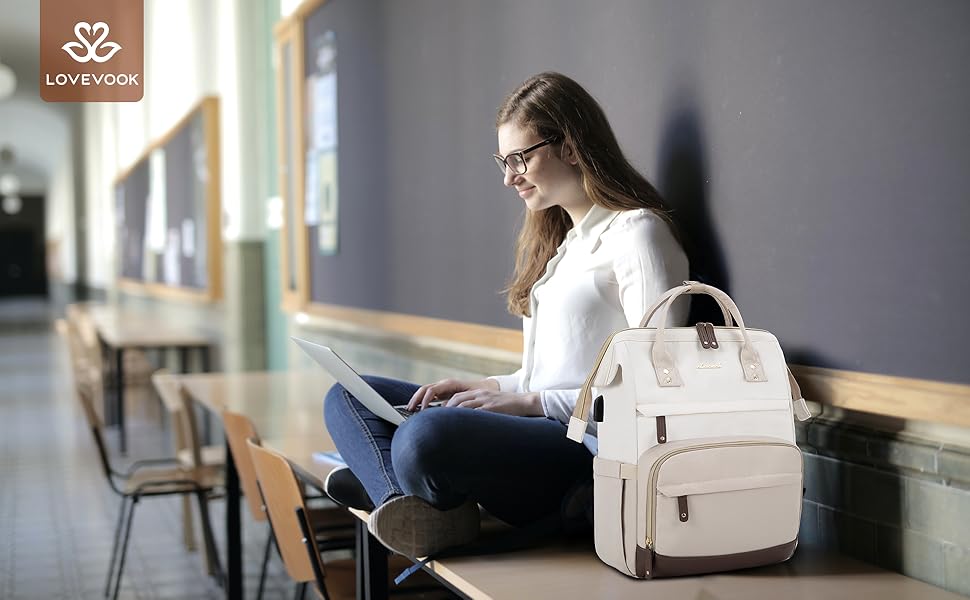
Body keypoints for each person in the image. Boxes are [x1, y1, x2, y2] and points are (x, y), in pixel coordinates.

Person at [323, 71, 689, 558]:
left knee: (424, 436)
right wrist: (490, 388)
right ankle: (409, 505)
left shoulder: (638, 235)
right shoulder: (563, 247)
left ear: (572, 147)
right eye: (504, 160)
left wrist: (532, 404)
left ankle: (397, 486)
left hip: (587, 450)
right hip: (540, 425)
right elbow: (542, 376)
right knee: (346, 395)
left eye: (520, 158)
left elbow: (657, 388)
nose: (508, 176)